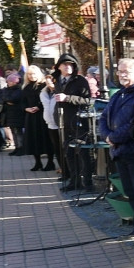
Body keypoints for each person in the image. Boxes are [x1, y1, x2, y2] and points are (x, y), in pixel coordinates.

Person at [98, 59, 134, 243]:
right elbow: (103, 117)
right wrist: (106, 135)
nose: (122, 74)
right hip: (119, 151)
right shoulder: (118, 95)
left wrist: (114, 137)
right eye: (120, 71)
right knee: (130, 191)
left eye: (126, 71)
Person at [53, 54, 93, 190]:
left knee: (83, 154)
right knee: (69, 154)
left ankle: (87, 183)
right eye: (65, 64)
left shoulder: (80, 80)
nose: (68, 66)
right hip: (63, 122)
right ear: (59, 67)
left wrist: (68, 98)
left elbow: (88, 100)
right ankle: (74, 181)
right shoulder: (57, 80)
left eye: (70, 64)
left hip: (79, 122)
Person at [21, 66, 54, 172]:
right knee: (33, 139)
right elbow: (22, 102)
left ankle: (50, 162)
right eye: (30, 74)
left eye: (34, 74)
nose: (32, 76)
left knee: (46, 138)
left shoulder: (44, 86)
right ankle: (38, 162)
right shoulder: (25, 87)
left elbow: (48, 99)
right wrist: (26, 108)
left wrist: (38, 107)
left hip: (42, 115)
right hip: (31, 116)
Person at [40, 74, 61, 175]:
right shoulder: (44, 92)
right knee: (56, 146)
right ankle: (61, 166)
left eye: (51, 83)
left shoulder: (59, 91)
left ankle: (65, 169)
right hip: (49, 122)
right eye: (47, 83)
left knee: (62, 146)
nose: (49, 85)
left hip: (59, 122)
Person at [1, 72, 24, 156]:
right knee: (13, 131)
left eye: (10, 81)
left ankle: (21, 148)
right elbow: (3, 97)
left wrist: (7, 100)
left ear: (15, 82)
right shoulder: (6, 89)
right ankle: (17, 147)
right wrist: (7, 100)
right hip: (10, 114)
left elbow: (12, 98)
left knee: (18, 131)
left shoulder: (18, 90)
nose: (8, 83)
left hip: (17, 113)